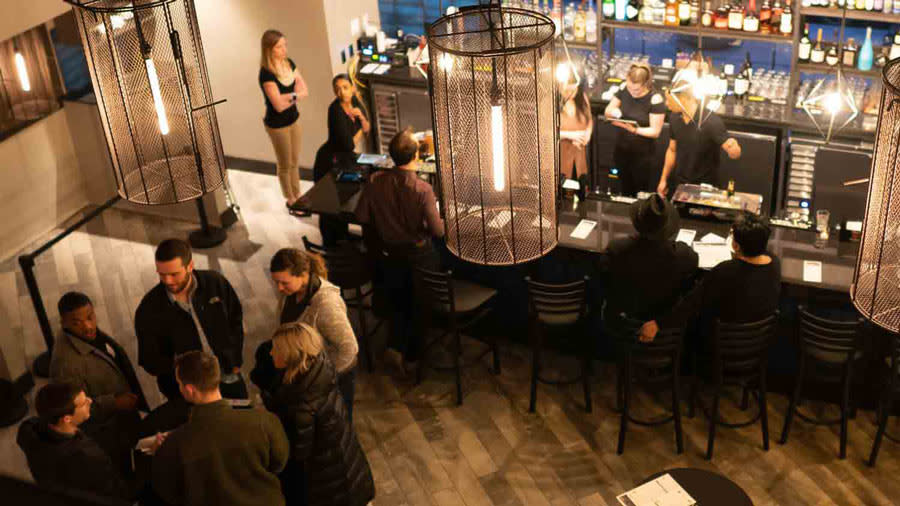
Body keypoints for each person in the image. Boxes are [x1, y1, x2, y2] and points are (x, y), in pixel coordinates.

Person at [355, 128, 444, 370]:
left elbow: (362, 215)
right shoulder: (422, 190)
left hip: (390, 255)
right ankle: (414, 358)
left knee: (398, 302)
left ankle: (395, 347)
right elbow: (438, 232)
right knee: (418, 305)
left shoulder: (374, 183)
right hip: (419, 257)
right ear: (416, 156)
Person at [152, 351, 289, 506]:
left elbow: (168, 491)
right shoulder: (265, 421)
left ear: (190, 389)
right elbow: (279, 463)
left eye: (179, 383)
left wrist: (159, 453)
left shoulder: (175, 444)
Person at [268, 323, 375, 506]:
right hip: (348, 467)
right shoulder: (320, 366)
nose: (271, 353)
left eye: (276, 349)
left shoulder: (304, 406)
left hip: (332, 483)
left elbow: (299, 453)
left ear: (290, 356)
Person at [252, 248, 359, 421]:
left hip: (331, 379)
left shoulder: (326, 305)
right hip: (308, 373)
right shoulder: (292, 292)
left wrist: (323, 378)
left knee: (336, 424)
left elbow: (349, 348)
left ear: (302, 275)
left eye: (284, 283)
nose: (279, 288)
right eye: (276, 282)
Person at [639, 211, 780, 342]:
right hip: (758, 341)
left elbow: (692, 303)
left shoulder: (726, 270)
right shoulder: (775, 263)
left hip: (722, 343)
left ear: (735, 245)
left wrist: (659, 324)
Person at [135, 238, 247, 402]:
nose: (168, 281)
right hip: (186, 391)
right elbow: (149, 360)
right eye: (162, 274)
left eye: (174, 274)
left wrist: (235, 359)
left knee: (241, 413)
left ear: (190, 266)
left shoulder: (215, 283)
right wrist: (179, 370)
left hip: (227, 373)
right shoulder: (148, 310)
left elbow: (235, 319)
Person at [50, 291, 148, 473]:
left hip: (121, 415)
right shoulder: (66, 366)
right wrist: (115, 402)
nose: (88, 326)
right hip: (108, 430)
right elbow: (74, 410)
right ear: (63, 323)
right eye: (76, 322)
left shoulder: (85, 336)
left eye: (90, 317)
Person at [16, 383, 133, 501]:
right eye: (83, 403)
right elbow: (115, 491)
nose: (90, 401)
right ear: (67, 419)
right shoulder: (87, 457)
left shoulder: (28, 429)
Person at [600, 194, 698, 325]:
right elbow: (694, 259)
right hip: (663, 329)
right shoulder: (681, 255)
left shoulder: (616, 249)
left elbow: (604, 281)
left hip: (620, 326)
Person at [657, 69, 741, 197]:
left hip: (705, 188)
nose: (666, 104)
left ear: (683, 99)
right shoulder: (674, 118)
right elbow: (672, 150)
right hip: (680, 185)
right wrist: (663, 180)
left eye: (669, 100)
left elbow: (734, 154)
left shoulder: (711, 122)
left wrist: (734, 148)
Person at [259, 29, 308, 212]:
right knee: (285, 164)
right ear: (269, 50)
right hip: (277, 125)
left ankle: (298, 195)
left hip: (293, 119)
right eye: (279, 47)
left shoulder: (289, 64)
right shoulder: (266, 74)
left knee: (294, 161)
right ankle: (290, 200)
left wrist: (288, 96)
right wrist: (295, 96)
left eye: (284, 45)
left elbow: (304, 90)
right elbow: (278, 106)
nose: (284, 50)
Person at [604, 63, 666, 196]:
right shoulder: (623, 89)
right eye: (630, 88)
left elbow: (655, 131)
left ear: (646, 84)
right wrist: (615, 114)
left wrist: (634, 130)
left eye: (636, 90)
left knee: (641, 192)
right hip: (622, 150)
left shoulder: (655, 99)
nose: (632, 93)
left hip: (643, 155)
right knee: (624, 188)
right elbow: (608, 111)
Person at [559, 75, 594, 196]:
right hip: (561, 153)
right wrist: (570, 135)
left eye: (574, 89)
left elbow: (589, 121)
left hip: (580, 152)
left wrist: (587, 134)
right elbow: (546, 132)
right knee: (563, 189)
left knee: (581, 186)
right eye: (567, 90)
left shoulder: (582, 99)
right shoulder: (553, 104)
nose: (571, 93)